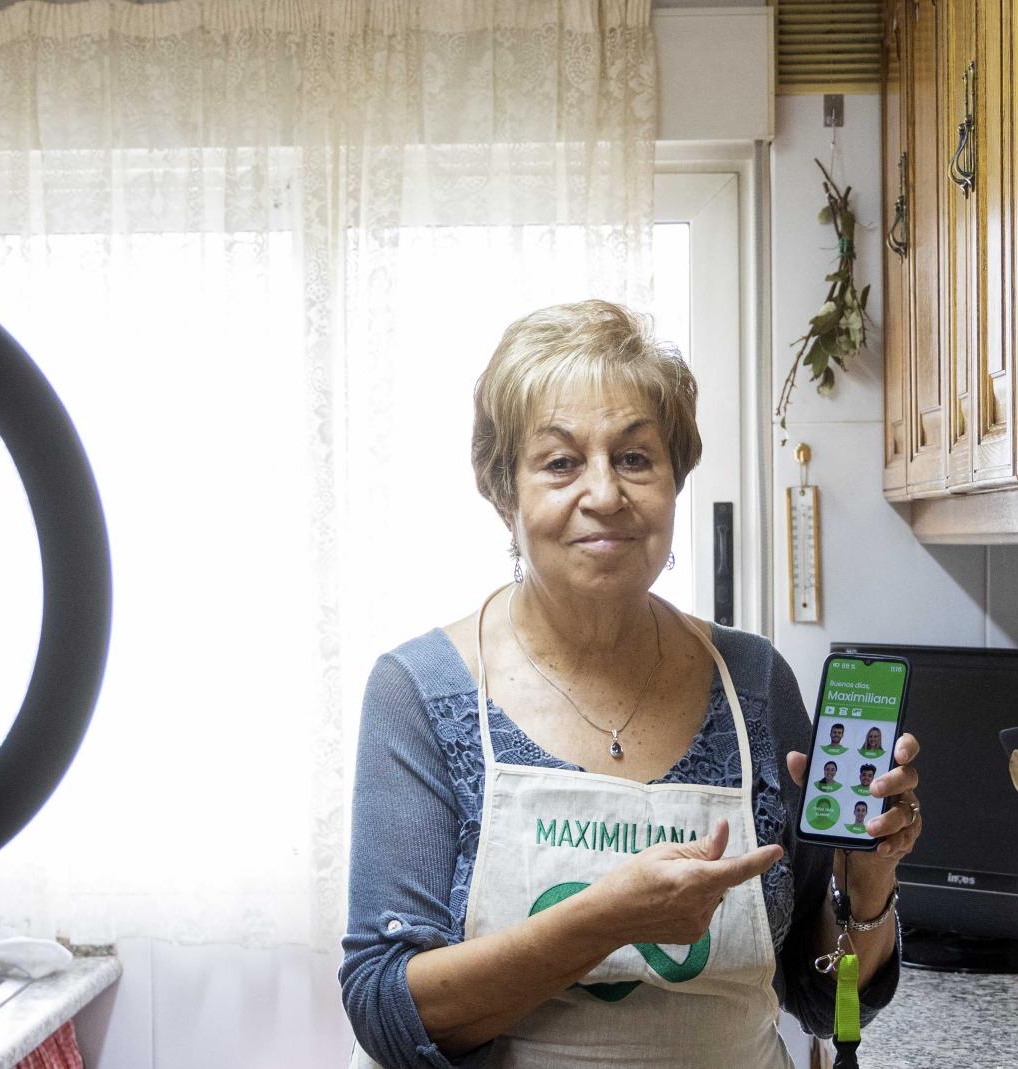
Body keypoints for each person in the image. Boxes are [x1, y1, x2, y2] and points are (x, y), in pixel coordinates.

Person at [339, 301, 925, 1068]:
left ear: (674, 480)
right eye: (559, 462)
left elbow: (821, 995)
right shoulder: (422, 692)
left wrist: (866, 888)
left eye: (635, 457)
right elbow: (388, 1006)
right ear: (503, 494)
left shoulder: (753, 681)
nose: (605, 493)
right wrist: (607, 919)